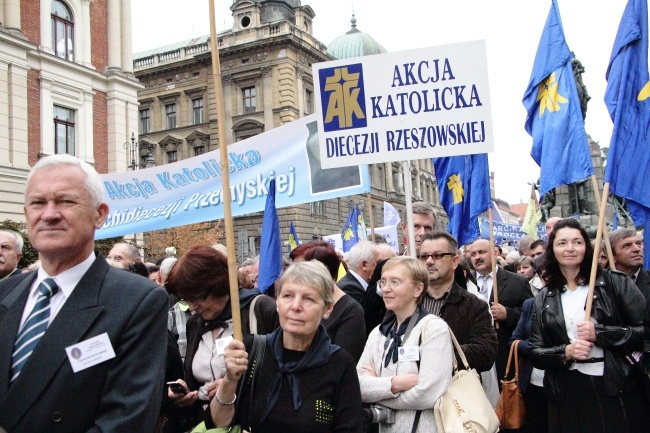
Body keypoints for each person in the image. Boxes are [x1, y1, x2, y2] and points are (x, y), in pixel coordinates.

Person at [0, 154, 168, 432]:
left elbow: (126, 421)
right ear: (26, 213)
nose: (50, 214)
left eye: (65, 201)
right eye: (38, 203)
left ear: (99, 214)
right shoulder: (5, 293)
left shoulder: (137, 301)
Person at [206, 260, 363, 433]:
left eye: (308, 298)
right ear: (277, 303)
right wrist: (229, 380)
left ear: (327, 308)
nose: (295, 306)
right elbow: (217, 423)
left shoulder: (339, 364)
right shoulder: (252, 350)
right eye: (288, 296)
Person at [529, 218, 648, 433]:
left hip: (613, 385)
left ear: (586, 246)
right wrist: (565, 352)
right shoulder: (545, 297)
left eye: (577, 242)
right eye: (562, 243)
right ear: (552, 249)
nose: (570, 249)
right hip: (566, 391)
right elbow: (536, 350)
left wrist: (601, 334)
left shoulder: (614, 282)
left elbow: (644, 331)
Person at [165, 245, 279, 427]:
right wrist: (184, 392)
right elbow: (196, 378)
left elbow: (283, 370)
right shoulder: (195, 324)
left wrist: (230, 386)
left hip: (248, 422)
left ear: (217, 284)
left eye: (198, 298)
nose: (193, 307)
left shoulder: (261, 310)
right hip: (205, 424)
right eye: (186, 299)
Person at [357, 256, 453, 432]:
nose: (386, 289)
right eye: (383, 282)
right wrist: (394, 384)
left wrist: (377, 389)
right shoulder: (378, 333)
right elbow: (358, 385)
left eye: (395, 282)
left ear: (418, 289)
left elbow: (427, 394)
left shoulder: (433, 329)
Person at [418, 232, 497, 373]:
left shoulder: (474, 305)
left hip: (455, 390)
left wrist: (435, 353)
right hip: (413, 389)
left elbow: (486, 354)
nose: (429, 261)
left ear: (454, 261)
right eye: (424, 256)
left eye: (437, 256)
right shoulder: (408, 302)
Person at [290, 241, 366, 361]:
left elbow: (343, 362)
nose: (293, 276)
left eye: (300, 270)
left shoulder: (350, 311)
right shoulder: (296, 305)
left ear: (321, 271)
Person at [470, 238, 532, 382]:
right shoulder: (466, 283)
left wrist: (509, 314)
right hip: (476, 356)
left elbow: (531, 316)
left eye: (482, 252)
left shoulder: (517, 282)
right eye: (473, 254)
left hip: (504, 354)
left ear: (494, 254)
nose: (477, 257)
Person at [609, 228, 649, 299]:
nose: (637, 249)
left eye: (638, 243)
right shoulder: (600, 283)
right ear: (612, 255)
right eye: (627, 245)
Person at [337, 240, 380, 304]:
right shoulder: (348, 288)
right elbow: (368, 312)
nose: (380, 267)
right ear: (364, 265)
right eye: (378, 263)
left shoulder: (358, 283)